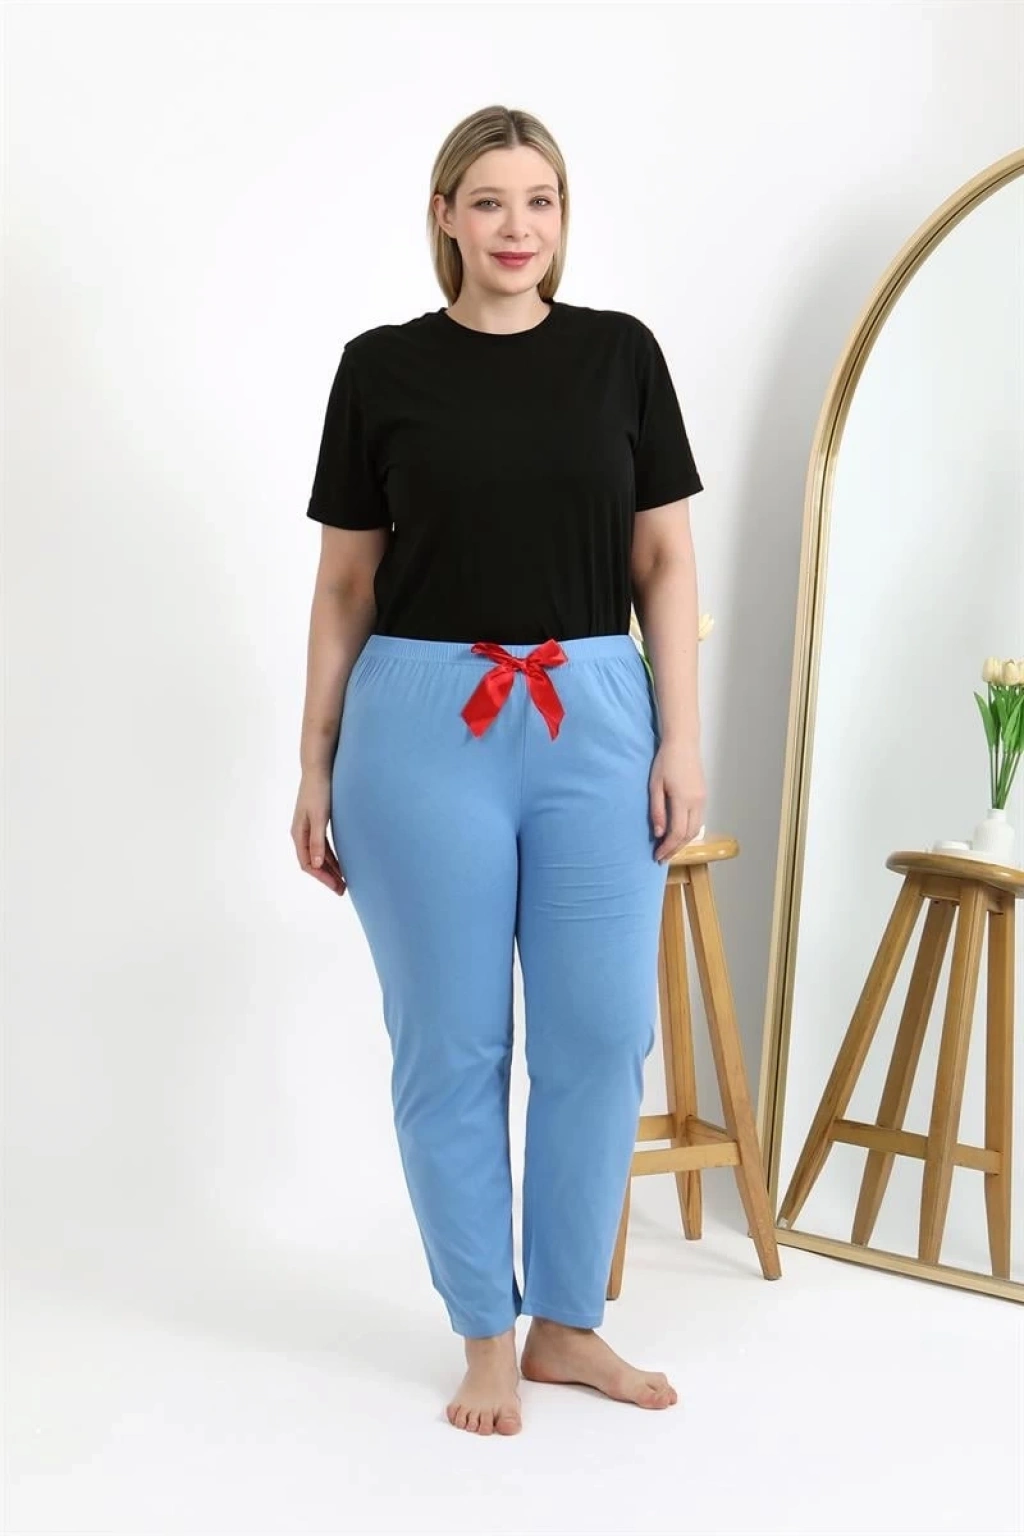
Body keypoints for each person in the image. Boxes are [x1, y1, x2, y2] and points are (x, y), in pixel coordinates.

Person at [291, 104, 706, 1436]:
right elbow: (345, 583)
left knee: (600, 1033)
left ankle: (567, 1325)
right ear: (445, 217)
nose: (517, 227)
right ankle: (484, 1329)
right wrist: (314, 762)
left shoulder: (620, 356)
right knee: (452, 1044)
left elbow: (663, 561)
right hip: (420, 724)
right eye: (488, 201)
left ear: (563, 218)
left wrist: (682, 737)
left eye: (540, 201)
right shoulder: (381, 369)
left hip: (594, 711)